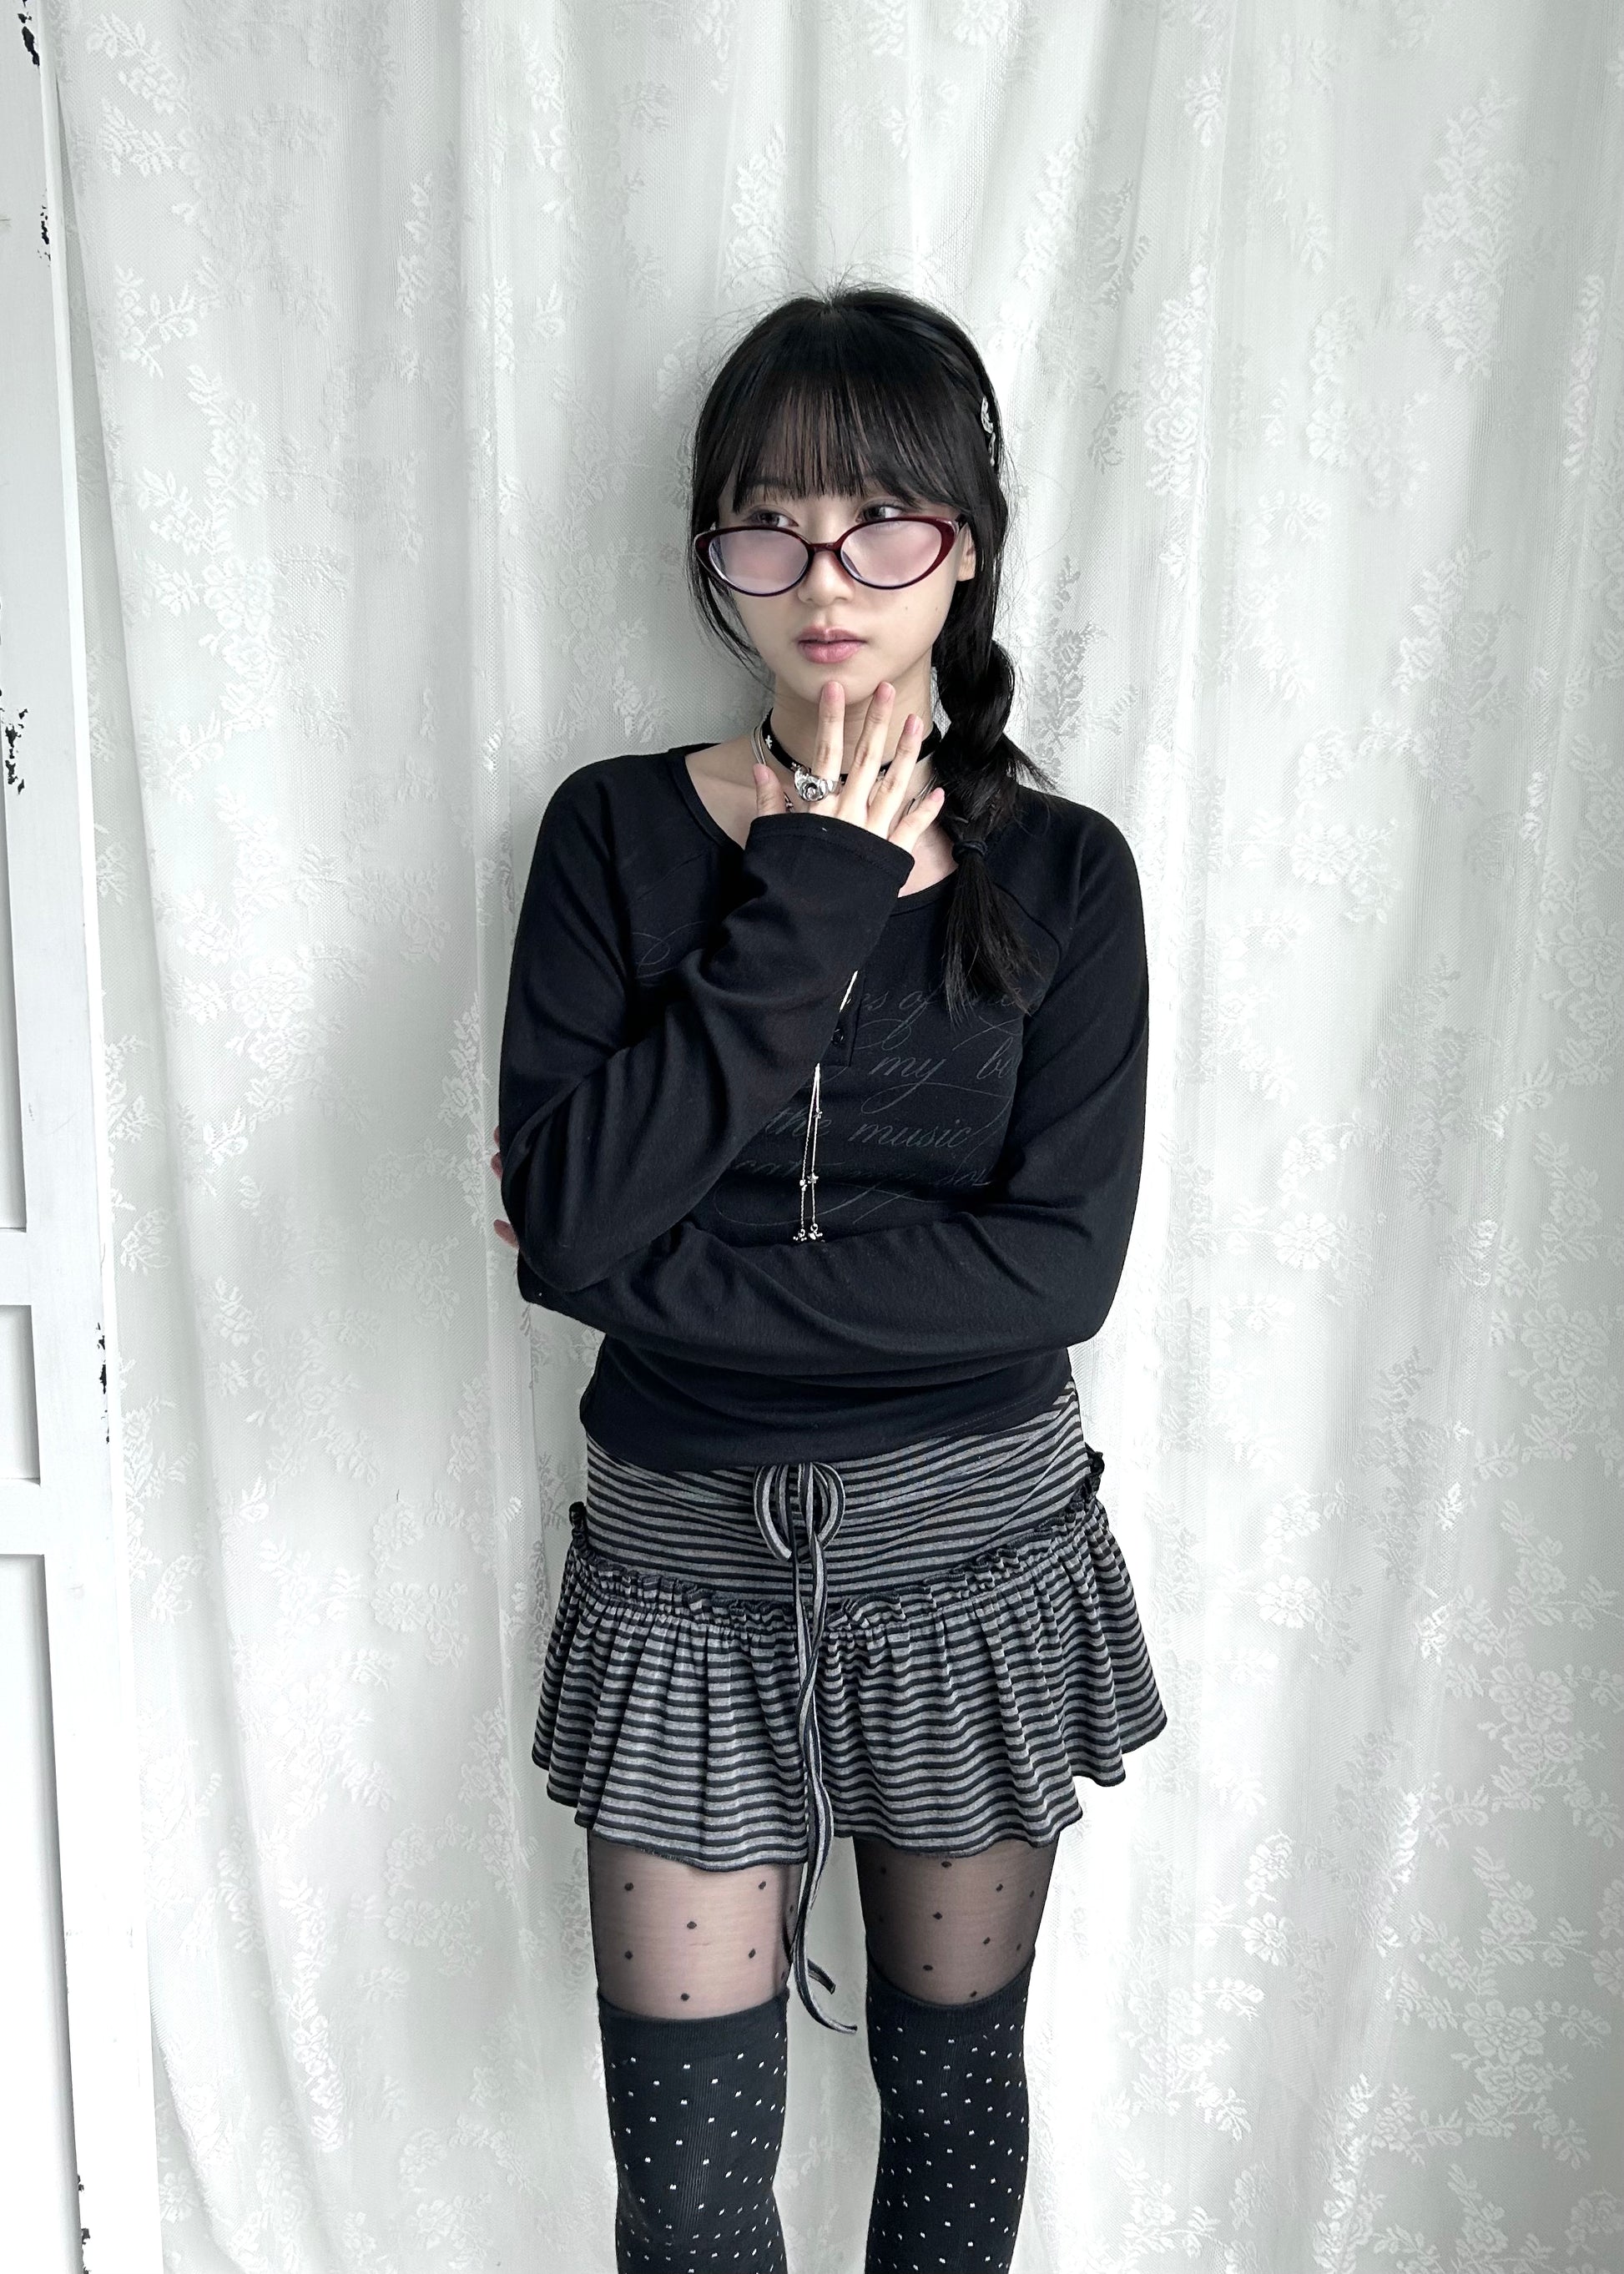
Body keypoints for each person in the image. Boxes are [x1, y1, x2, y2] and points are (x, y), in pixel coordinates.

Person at [493, 284, 1166, 2274]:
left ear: (965, 544)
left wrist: (645, 1275)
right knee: (689, 2191)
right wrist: (812, 893)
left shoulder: (1067, 875)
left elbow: (1055, 1274)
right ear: (712, 549)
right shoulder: (613, 835)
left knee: (952, 2101)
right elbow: (574, 1231)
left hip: (974, 1553)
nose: (823, 582)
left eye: (882, 526)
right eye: (767, 529)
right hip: (684, 1570)